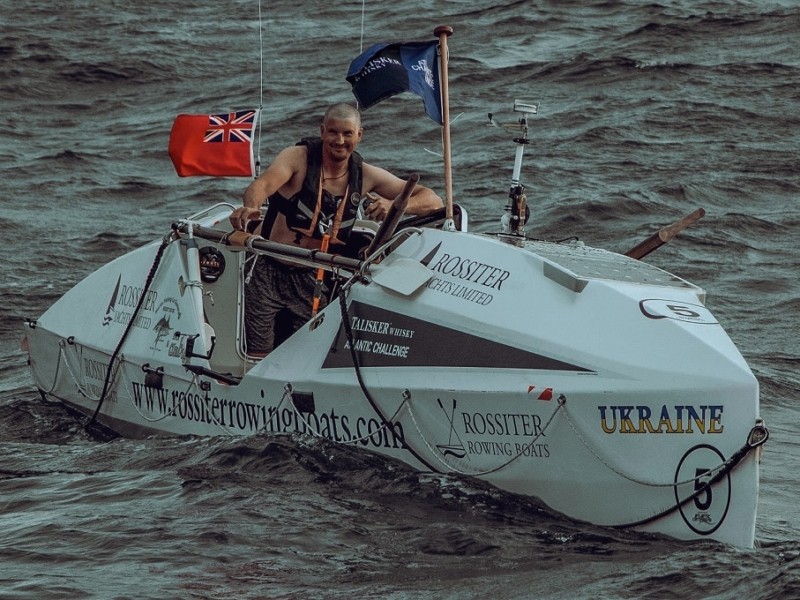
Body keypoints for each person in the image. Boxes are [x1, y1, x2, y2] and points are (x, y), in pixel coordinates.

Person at [229, 102, 443, 356]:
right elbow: (262, 185)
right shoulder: (297, 158)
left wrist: (394, 205)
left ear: (359, 135)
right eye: (332, 132)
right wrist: (251, 207)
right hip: (269, 270)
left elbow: (433, 201)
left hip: (313, 277)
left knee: (304, 354)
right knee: (257, 351)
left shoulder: (366, 175)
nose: (339, 140)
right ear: (322, 132)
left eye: (347, 134)